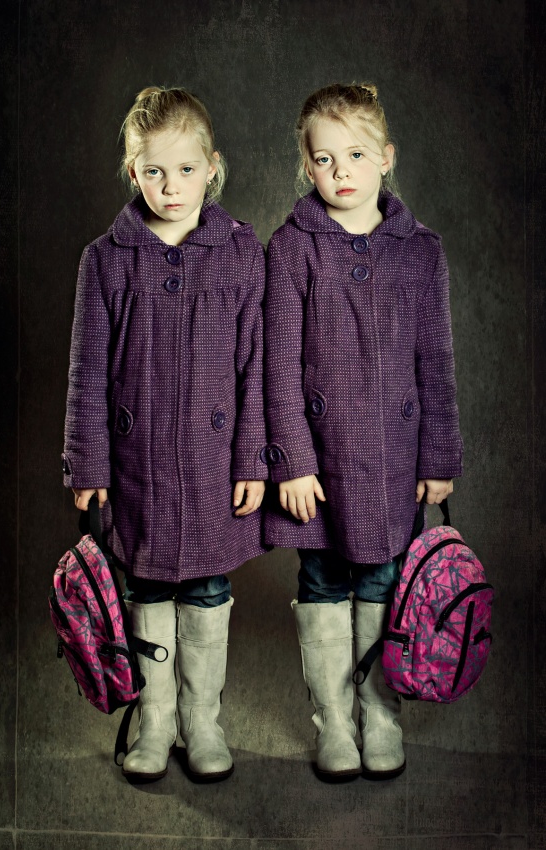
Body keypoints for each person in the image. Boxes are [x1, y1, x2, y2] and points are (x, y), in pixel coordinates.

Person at [62, 86, 267, 784]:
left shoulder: (240, 254)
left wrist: (254, 459)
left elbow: (256, 366)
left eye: (184, 170)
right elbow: (87, 372)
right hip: (137, 464)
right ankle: (155, 722)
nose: (170, 186)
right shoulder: (106, 259)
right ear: (133, 173)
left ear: (212, 167)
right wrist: (88, 465)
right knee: (146, 589)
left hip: (214, 466)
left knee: (207, 590)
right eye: (153, 171)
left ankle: (201, 723)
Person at [264, 83, 463, 781]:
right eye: (323, 159)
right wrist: (291, 460)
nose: (340, 171)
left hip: (394, 460)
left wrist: (438, 456)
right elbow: (277, 364)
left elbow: (435, 360)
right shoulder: (291, 248)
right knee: (322, 578)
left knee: (384, 578)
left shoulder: (420, 251)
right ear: (306, 167)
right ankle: (333, 722)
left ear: (386, 157)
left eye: (354, 154)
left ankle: (380, 715)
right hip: (317, 466)